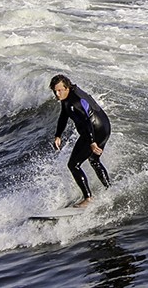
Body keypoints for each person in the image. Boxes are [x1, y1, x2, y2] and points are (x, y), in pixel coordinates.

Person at [50, 74, 112, 207]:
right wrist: (58, 135)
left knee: (73, 165)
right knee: (94, 160)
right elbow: (64, 115)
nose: (57, 94)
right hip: (104, 127)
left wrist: (92, 142)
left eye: (60, 90)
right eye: (55, 91)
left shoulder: (75, 101)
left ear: (66, 88)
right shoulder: (69, 95)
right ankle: (110, 188)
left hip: (94, 131)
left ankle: (88, 198)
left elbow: (86, 120)